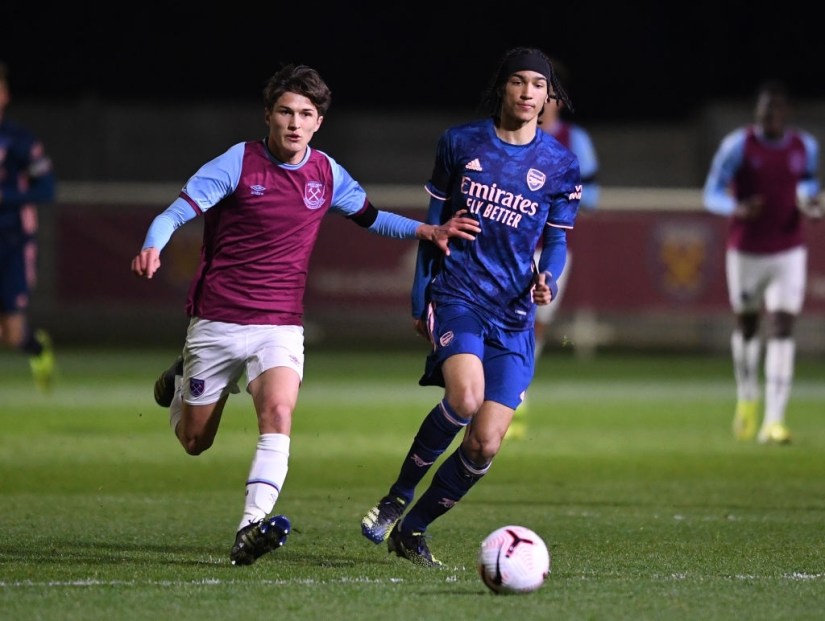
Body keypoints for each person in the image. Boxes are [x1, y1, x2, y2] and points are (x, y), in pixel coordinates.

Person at [131, 63, 480, 567]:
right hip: (218, 320)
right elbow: (176, 212)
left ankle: (249, 527)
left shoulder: (326, 173)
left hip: (280, 324)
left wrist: (426, 231)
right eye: (286, 112)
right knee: (194, 440)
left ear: (318, 122)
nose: (295, 123)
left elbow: (372, 217)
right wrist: (152, 245)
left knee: (278, 413)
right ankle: (184, 377)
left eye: (306, 114)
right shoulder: (238, 163)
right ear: (268, 116)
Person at [360, 47, 581, 566]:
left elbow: (556, 241)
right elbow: (432, 224)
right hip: (459, 294)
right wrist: (421, 297)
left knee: (485, 444)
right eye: (518, 82)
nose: (528, 93)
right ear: (501, 88)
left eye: (538, 85)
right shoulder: (460, 143)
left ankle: (412, 531)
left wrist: (547, 276)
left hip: (514, 314)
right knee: (464, 397)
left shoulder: (560, 165)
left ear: (550, 97)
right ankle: (396, 497)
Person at [703, 79, 821, 445]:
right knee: (749, 326)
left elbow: (807, 184)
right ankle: (748, 395)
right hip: (747, 251)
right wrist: (736, 208)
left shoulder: (805, 147)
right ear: (757, 112)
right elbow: (711, 193)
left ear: (787, 113)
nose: (771, 115)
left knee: (784, 326)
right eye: (765, 108)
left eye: (777, 108)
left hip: (789, 250)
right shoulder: (739, 146)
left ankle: (774, 420)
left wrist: (810, 202)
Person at [508, 57, 600, 439]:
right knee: (508, 324)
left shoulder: (572, 142)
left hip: (550, 249)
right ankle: (502, 398)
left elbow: (590, 193)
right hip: (507, 248)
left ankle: (516, 399)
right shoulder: (506, 136)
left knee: (535, 325)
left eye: (545, 90)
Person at [0, 61, 57, 392]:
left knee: (13, 335)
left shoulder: (18, 140)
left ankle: (37, 347)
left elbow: (46, 188)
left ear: (5, 95)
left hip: (12, 243)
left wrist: (6, 196)